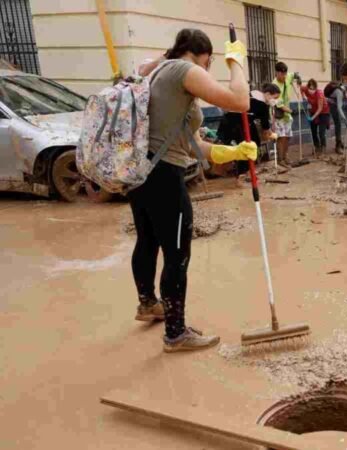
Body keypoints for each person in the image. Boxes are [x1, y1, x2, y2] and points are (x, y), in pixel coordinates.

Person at [129, 29, 253, 352]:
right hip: (164, 177)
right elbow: (241, 101)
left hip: (140, 172)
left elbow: (191, 144)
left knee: (148, 240)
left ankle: (148, 304)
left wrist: (232, 151)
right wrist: (236, 63)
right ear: (205, 57)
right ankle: (175, 333)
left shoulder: (159, 72)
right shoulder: (186, 70)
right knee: (178, 254)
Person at [216, 83, 280, 176]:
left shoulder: (252, 95)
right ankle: (242, 173)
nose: (275, 101)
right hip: (235, 123)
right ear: (268, 94)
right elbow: (265, 126)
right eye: (274, 97)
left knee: (253, 141)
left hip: (233, 121)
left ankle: (244, 169)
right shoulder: (261, 104)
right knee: (245, 147)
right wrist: (271, 135)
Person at [273, 62, 300, 169]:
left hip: (287, 115)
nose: (284, 76)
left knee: (287, 137)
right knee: (281, 137)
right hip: (279, 115)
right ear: (277, 73)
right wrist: (291, 111)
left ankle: (285, 156)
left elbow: (294, 74)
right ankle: (280, 160)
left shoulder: (288, 76)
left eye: (285, 74)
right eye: (282, 74)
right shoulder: (274, 86)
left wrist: (298, 78)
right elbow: (280, 106)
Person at [301, 79, 331, 155]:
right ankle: (317, 146)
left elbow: (320, 109)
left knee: (321, 132)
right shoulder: (306, 89)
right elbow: (301, 88)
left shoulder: (319, 94)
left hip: (324, 112)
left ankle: (323, 147)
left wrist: (312, 118)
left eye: (313, 88)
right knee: (313, 131)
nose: (311, 90)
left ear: (316, 88)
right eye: (310, 88)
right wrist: (303, 97)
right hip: (313, 111)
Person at [325, 81, 347, 153]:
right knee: (338, 125)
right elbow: (339, 108)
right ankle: (338, 146)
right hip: (332, 106)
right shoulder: (339, 92)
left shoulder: (340, 90)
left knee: (338, 125)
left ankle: (340, 142)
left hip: (332, 104)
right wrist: (345, 119)